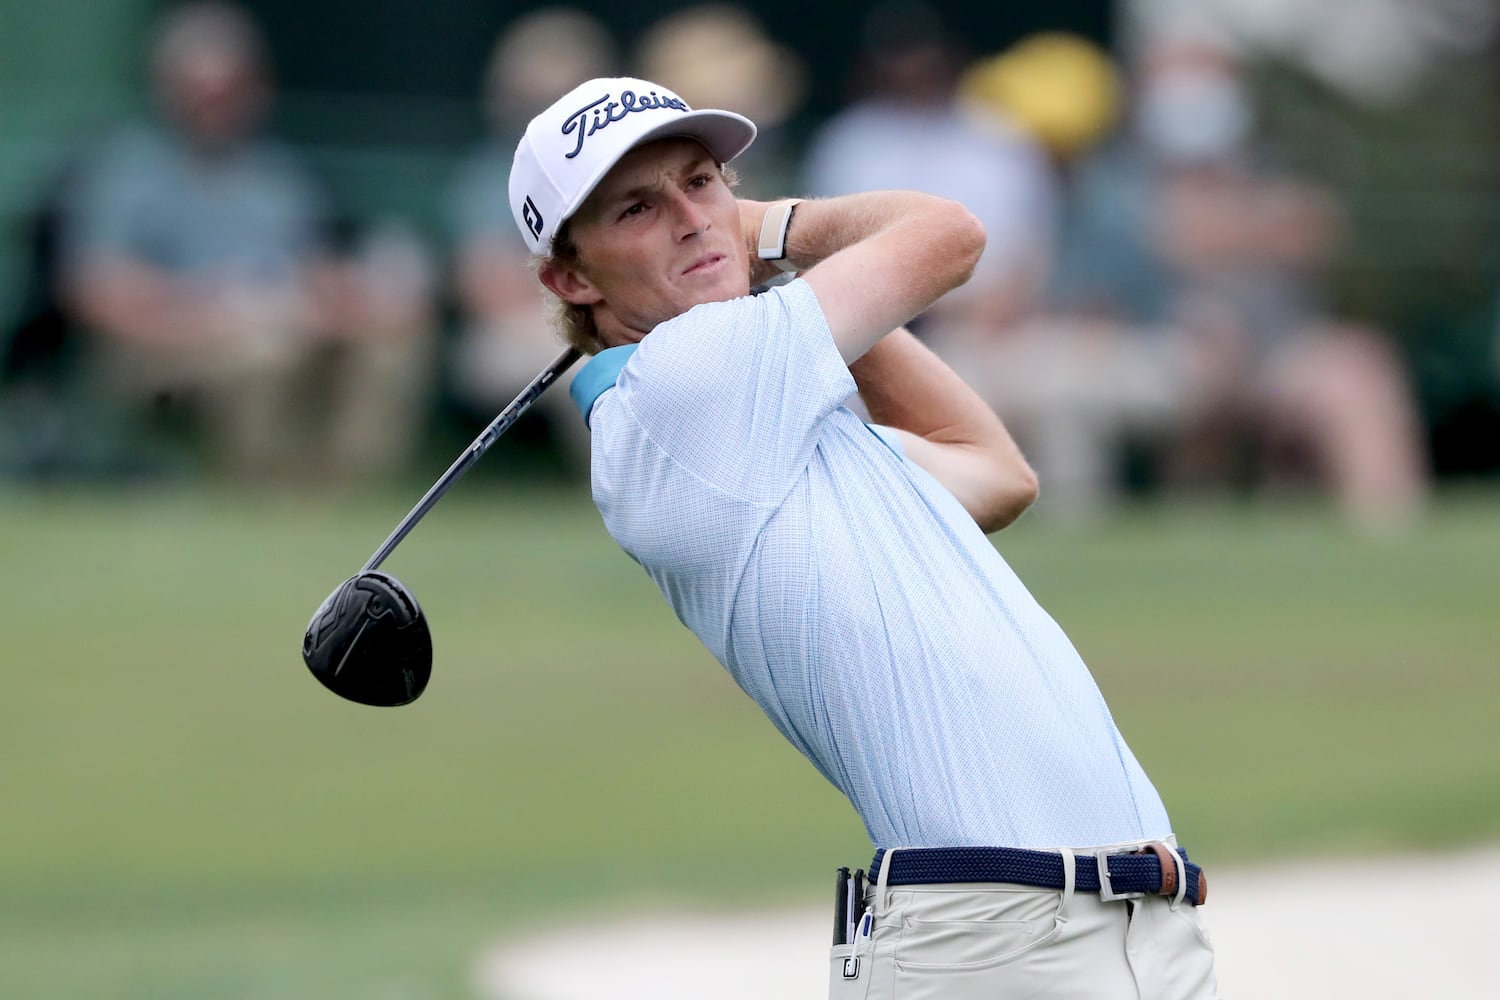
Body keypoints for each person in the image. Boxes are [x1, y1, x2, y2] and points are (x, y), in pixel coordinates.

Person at [509, 76, 1220, 997]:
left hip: (1098, 926)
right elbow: (949, 235)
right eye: (639, 208)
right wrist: (764, 232)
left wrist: (761, 271)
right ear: (570, 276)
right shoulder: (690, 388)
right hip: (999, 942)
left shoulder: (765, 423)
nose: (692, 218)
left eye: (704, 182)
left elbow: (996, 472)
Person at [57, 1, 434, 484]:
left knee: (393, 338)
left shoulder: (277, 177)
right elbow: (95, 290)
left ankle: (346, 490)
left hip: (287, 323)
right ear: (169, 91)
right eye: (200, 93)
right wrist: (213, 309)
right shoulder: (125, 171)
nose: (215, 105)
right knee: (266, 346)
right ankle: (263, 486)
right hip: (168, 342)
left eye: (229, 90)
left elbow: (313, 269)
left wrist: (354, 296)